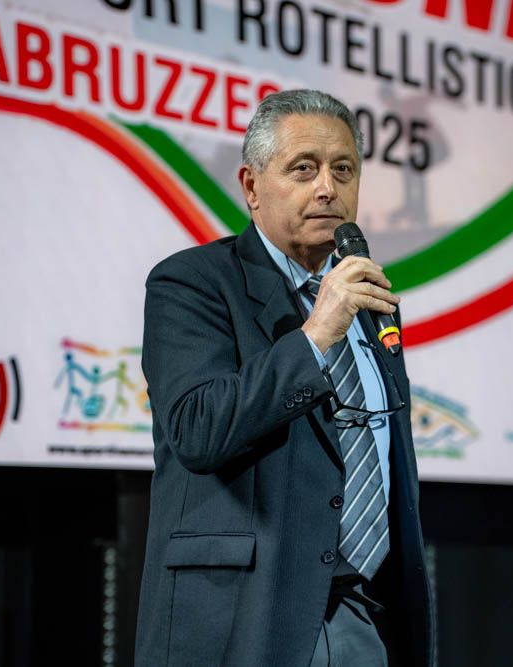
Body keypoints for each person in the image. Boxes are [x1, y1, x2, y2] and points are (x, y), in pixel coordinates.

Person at [135, 89, 435, 666]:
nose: (327, 188)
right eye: (304, 168)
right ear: (251, 187)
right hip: (243, 616)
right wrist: (315, 334)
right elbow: (198, 430)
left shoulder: (368, 301)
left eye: (343, 170)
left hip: (365, 613)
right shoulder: (193, 282)